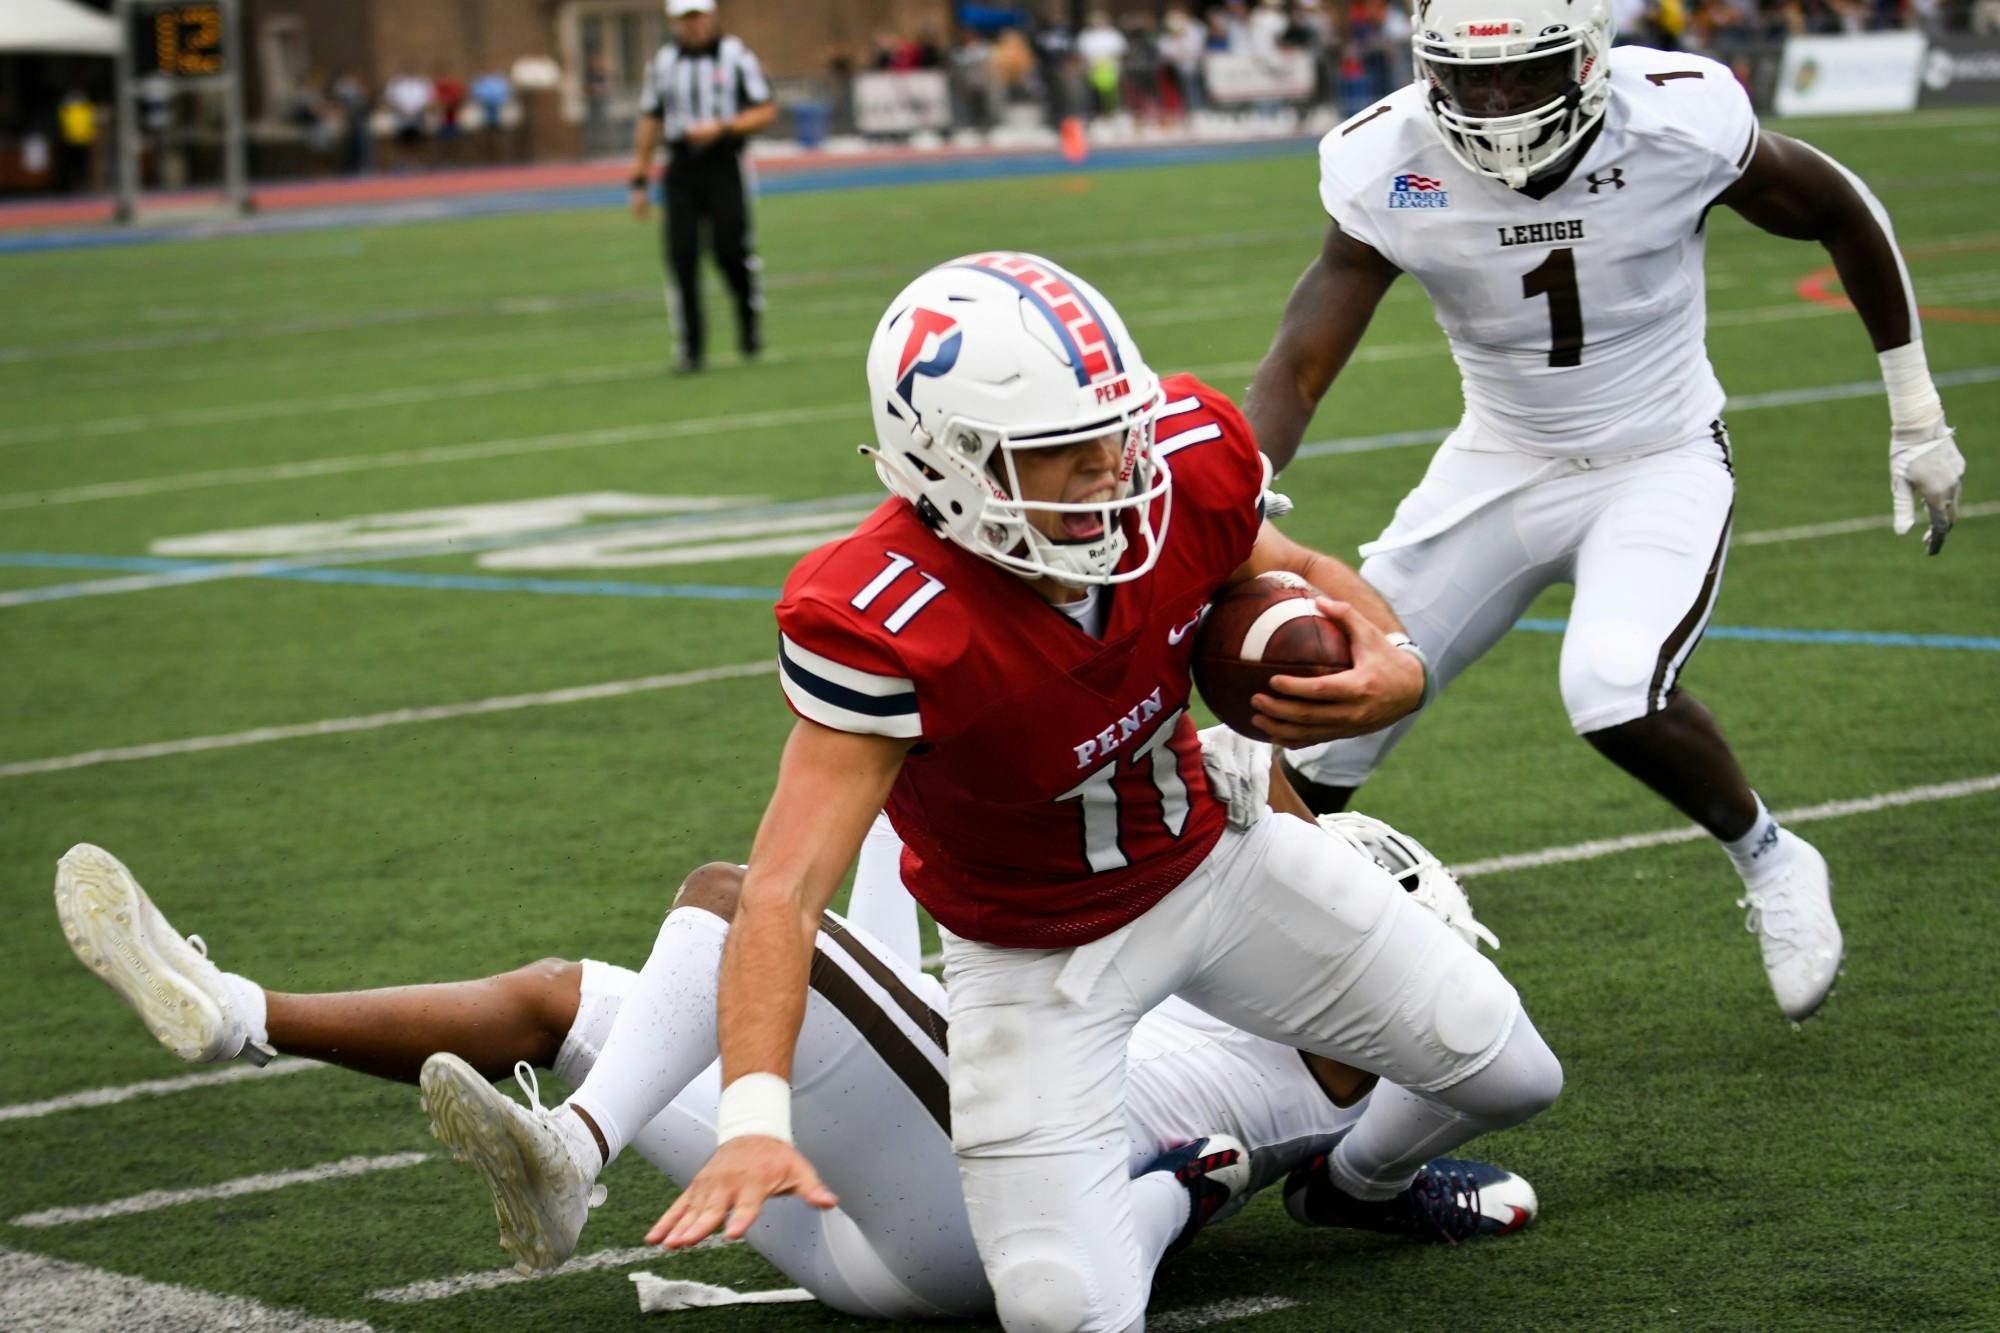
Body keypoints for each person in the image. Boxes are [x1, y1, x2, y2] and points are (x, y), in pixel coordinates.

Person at [493, 251, 1562, 1333]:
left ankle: (1352, 1187)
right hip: (1030, 956)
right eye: (1061, 450)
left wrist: (1398, 658)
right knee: (1062, 1314)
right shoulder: (886, 612)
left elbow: (1294, 566)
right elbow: (778, 891)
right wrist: (755, 1113)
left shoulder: (1180, 464)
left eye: (1117, 429)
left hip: (1217, 866)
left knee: (1513, 1071)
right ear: (945, 464)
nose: (1111, 467)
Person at [52, 812, 1537, 1322]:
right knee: (573, 991)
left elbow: (1242, 1165)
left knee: (734, 904)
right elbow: (1365, 1165)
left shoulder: (1283, 1060)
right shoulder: (1316, 1067)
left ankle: (571, 1146)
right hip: (891, 1219)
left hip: (977, 1207)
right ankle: (237, 1007)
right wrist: (1425, 1191)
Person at [1243, 0, 1968, 1026]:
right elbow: (1300, 359)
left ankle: (1766, 853)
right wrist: (1233, 489)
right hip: (1493, 464)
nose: (1491, 101)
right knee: (1318, 725)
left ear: (1587, 58)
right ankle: (1288, 989)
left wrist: (1915, 411)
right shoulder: (1385, 158)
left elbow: (1840, 208)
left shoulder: (1676, 119)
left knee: (1610, 686)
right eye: (1467, 76)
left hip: (1656, 457)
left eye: (1522, 72)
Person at [629, 0, 778, 374]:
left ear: (710, 16)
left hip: (723, 161)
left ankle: (748, 319)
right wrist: (640, 176)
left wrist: (723, 128)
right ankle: (691, 349)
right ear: (673, 21)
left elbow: (765, 110)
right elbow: (650, 116)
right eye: (685, 18)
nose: (692, 25)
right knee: (681, 256)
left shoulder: (735, 54)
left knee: (730, 249)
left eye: (697, 16)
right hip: (681, 165)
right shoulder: (663, 62)